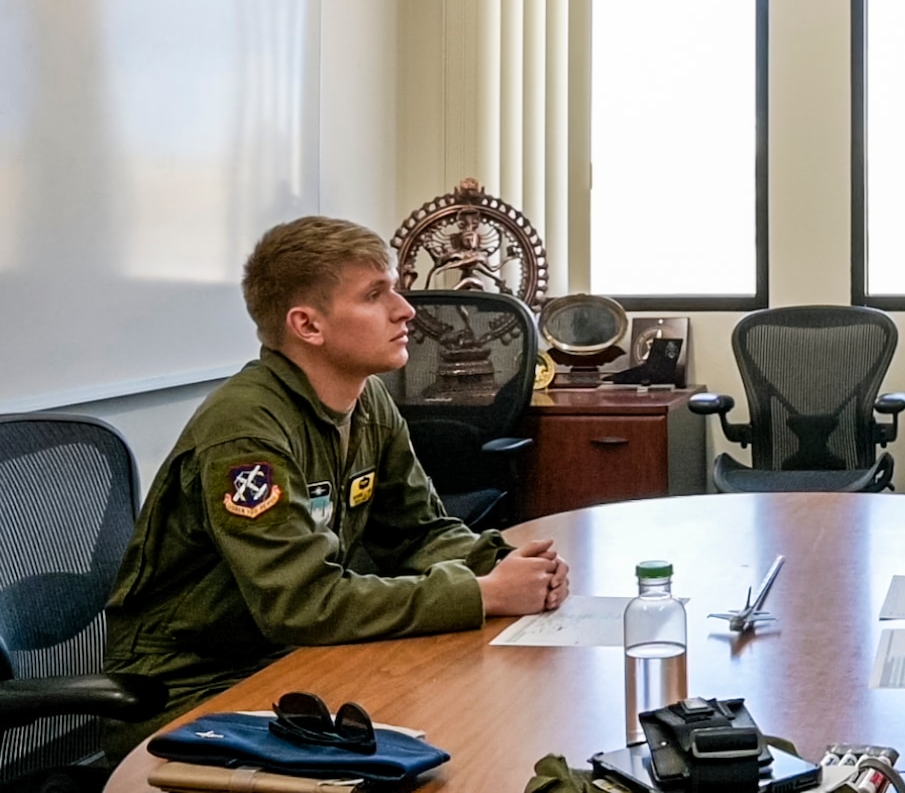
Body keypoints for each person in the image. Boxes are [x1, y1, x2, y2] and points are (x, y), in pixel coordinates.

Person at [103, 216, 571, 757]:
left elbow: (416, 533)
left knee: (471, 719)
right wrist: (481, 594)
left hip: (287, 659)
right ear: (308, 326)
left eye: (394, 289)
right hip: (192, 687)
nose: (406, 310)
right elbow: (303, 604)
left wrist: (502, 563)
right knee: (438, 745)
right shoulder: (246, 433)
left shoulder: (367, 400)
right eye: (376, 295)